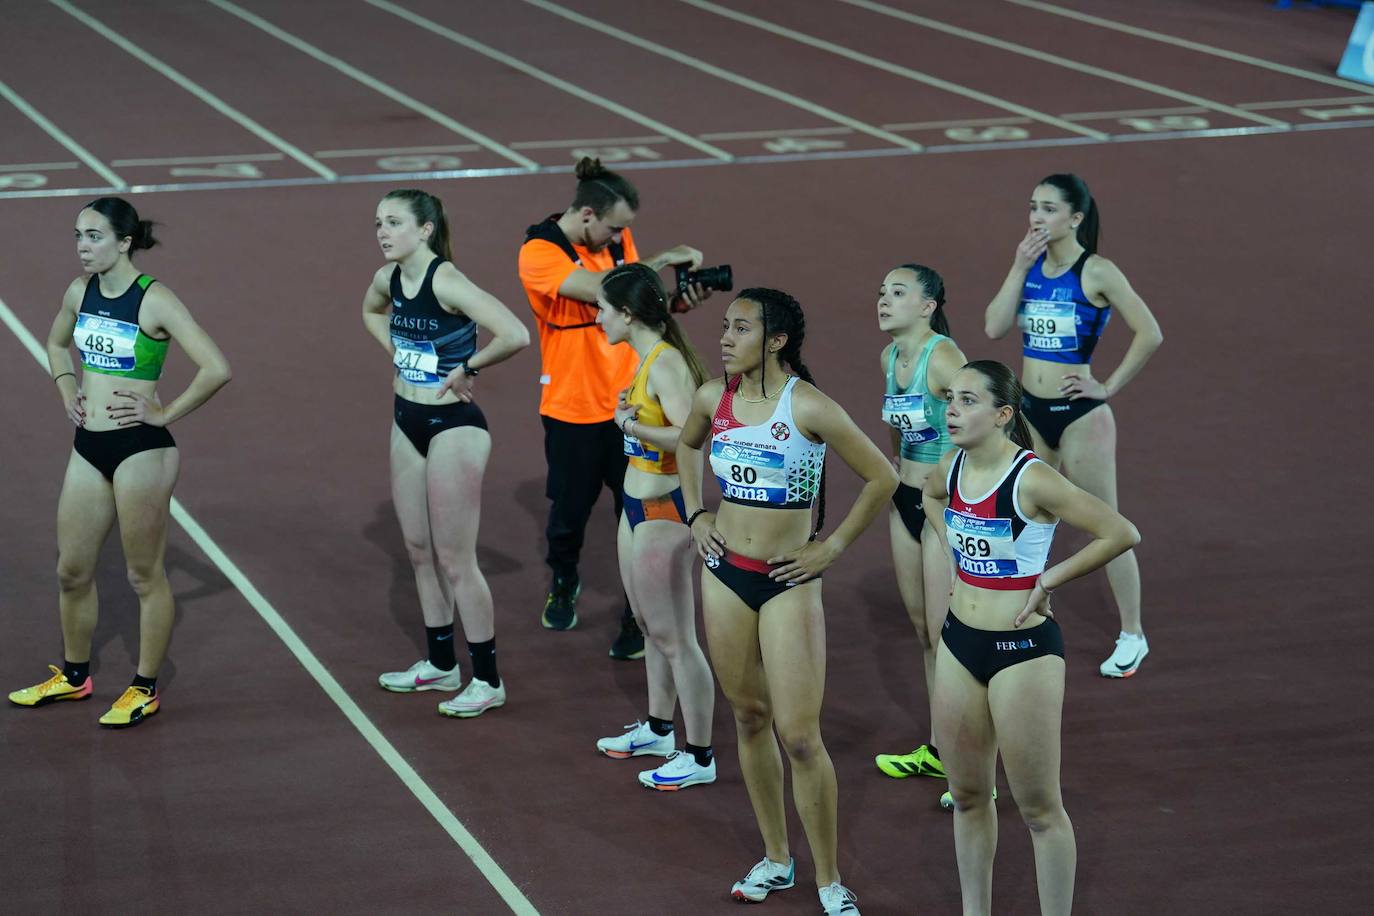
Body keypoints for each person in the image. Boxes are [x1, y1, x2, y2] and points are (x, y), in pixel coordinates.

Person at [677, 288, 897, 916]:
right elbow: (688, 446)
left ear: (775, 341)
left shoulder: (809, 407)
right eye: (724, 326)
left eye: (740, 328)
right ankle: (777, 859)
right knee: (748, 718)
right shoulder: (711, 398)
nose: (724, 337)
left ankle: (829, 878)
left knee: (799, 736)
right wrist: (694, 512)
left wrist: (832, 548)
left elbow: (882, 476)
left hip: (786, 583)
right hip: (724, 573)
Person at [922, 360, 1139, 916]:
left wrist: (1047, 579)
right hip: (958, 645)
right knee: (968, 797)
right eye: (950, 399)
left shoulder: (1032, 477)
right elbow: (930, 498)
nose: (952, 409)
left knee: (1039, 809)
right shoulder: (949, 466)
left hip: (1023, 652)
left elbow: (1119, 531)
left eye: (968, 401)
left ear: (1002, 415)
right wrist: (954, 557)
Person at [8, 197, 231, 727]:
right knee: (71, 571)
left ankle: (144, 687)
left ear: (124, 241)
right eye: (78, 236)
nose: (83, 247)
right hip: (89, 446)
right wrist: (66, 389)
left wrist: (165, 412)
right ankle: (73, 676)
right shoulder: (78, 292)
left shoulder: (155, 300)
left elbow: (217, 367)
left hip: (141, 450)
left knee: (141, 574)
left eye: (94, 237)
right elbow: (58, 345)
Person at [517, 157, 709, 659]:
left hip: (630, 402)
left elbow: (632, 305)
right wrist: (663, 258)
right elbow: (604, 290)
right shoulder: (539, 250)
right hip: (573, 405)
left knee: (636, 508)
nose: (621, 236)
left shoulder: (616, 241)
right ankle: (563, 580)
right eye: (615, 227)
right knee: (569, 511)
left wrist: (677, 304)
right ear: (585, 215)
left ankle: (634, 616)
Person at [983, 174, 1162, 677]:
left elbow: (1150, 332)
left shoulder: (1097, 271)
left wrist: (1107, 386)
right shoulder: (1032, 267)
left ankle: (1133, 634)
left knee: (1106, 523)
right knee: (1026, 514)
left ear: (1075, 218)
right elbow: (994, 327)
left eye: (1048, 209)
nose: (1037, 217)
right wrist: (1018, 266)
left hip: (1080, 416)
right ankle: (1020, 612)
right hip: (1030, 412)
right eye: (1032, 207)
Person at [363, 189, 529, 718]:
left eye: (393, 223)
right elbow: (370, 311)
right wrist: (394, 349)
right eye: (378, 224)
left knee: (457, 559)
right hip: (405, 418)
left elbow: (516, 333)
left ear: (426, 229)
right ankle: (441, 665)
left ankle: (487, 679)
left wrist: (470, 367)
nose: (383, 232)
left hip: (454, 425)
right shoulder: (388, 280)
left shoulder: (448, 281)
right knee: (417, 548)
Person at [591, 263, 717, 791]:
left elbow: (692, 437)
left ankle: (700, 754)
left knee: (676, 638)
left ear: (626, 314)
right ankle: (660, 729)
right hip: (635, 506)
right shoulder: (647, 361)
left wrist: (630, 424)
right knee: (647, 626)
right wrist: (635, 420)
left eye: (602, 309)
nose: (597, 318)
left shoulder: (665, 364)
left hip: (664, 511)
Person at [870, 264, 966, 784]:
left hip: (942, 506)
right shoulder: (890, 357)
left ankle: (971, 771)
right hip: (904, 499)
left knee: (948, 638)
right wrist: (897, 477)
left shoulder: (944, 355)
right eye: (882, 292)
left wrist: (946, 490)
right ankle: (940, 750)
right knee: (925, 635)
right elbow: (896, 428)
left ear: (928, 306)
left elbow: (985, 419)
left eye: (898, 293)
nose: (884, 300)